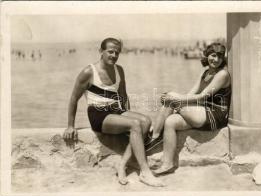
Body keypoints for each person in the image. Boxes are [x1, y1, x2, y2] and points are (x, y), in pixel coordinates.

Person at [63, 38, 164, 187]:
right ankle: (145, 172)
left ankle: (122, 165)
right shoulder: (88, 72)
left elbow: (123, 96)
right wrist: (70, 126)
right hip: (98, 114)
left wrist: (126, 117)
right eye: (110, 51)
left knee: (146, 122)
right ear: (101, 52)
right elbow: (73, 98)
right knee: (136, 125)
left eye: (117, 52)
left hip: (115, 111)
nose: (114, 55)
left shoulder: (119, 70)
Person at [150, 43, 231, 175]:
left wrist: (176, 100)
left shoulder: (222, 74)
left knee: (171, 97)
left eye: (220, 57)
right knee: (170, 121)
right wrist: (177, 102)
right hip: (203, 111)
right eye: (213, 55)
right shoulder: (206, 72)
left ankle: (153, 138)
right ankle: (167, 164)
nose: (216, 60)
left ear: (223, 59)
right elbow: (191, 94)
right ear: (207, 55)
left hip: (215, 115)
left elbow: (201, 97)